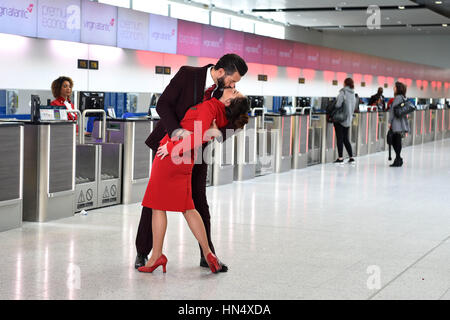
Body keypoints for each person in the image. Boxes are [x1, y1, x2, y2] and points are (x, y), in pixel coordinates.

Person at [135, 54, 248, 271]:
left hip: (197, 152)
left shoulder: (225, 93)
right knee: (153, 202)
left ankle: (208, 255)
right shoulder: (188, 75)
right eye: (233, 81)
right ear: (221, 71)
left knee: (198, 201)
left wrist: (216, 133)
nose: (234, 85)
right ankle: (143, 251)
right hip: (168, 146)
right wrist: (177, 134)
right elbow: (164, 105)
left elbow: (238, 117)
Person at [333, 78, 356, 164]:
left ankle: (340, 158)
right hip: (348, 119)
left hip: (340, 119)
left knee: (340, 138)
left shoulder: (343, 92)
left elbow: (338, 104)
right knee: (346, 138)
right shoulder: (353, 94)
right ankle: (351, 157)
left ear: (345, 83)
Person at [388, 82, 410, 167]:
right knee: (397, 140)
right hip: (402, 123)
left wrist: (390, 122)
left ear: (398, 88)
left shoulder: (397, 98)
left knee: (394, 141)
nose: (393, 88)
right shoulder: (403, 98)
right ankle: (398, 159)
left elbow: (393, 111)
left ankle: (398, 159)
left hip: (396, 123)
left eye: (394, 87)